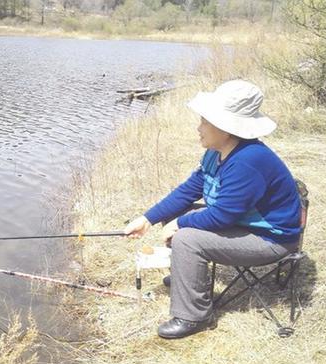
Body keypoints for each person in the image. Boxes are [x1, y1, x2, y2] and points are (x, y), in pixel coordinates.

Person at [124, 80, 302, 339]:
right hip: (245, 224)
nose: (199, 127)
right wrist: (147, 219)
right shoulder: (215, 151)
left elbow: (222, 216)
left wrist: (181, 224)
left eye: (205, 122)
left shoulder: (249, 161)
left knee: (186, 236)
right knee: (176, 217)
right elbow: (188, 191)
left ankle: (193, 316)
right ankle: (189, 279)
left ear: (226, 128)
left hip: (271, 239)